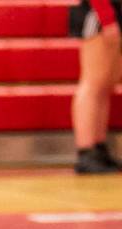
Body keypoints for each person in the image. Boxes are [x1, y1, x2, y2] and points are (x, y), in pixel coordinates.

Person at [69, 0, 122, 173]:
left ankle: (98, 147)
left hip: (110, 11)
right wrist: (106, 18)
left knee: (105, 84)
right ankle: (86, 150)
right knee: (92, 83)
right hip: (98, 11)